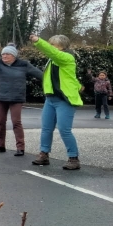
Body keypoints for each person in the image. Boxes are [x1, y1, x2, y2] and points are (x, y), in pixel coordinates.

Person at [0, 44, 43, 156]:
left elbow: (40, 74)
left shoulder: (24, 64)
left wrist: (52, 80)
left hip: (17, 98)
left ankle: (20, 148)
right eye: (3, 54)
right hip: (2, 97)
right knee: (0, 122)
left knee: (16, 122)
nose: (4, 56)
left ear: (14, 56)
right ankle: (0, 145)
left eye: (7, 54)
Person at [29, 34, 82, 170]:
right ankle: (44, 154)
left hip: (64, 100)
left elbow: (52, 53)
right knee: (46, 128)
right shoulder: (52, 60)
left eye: (53, 44)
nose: (50, 46)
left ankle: (73, 158)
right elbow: (66, 76)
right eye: (50, 44)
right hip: (50, 99)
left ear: (62, 46)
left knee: (64, 130)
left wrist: (38, 41)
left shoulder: (67, 57)